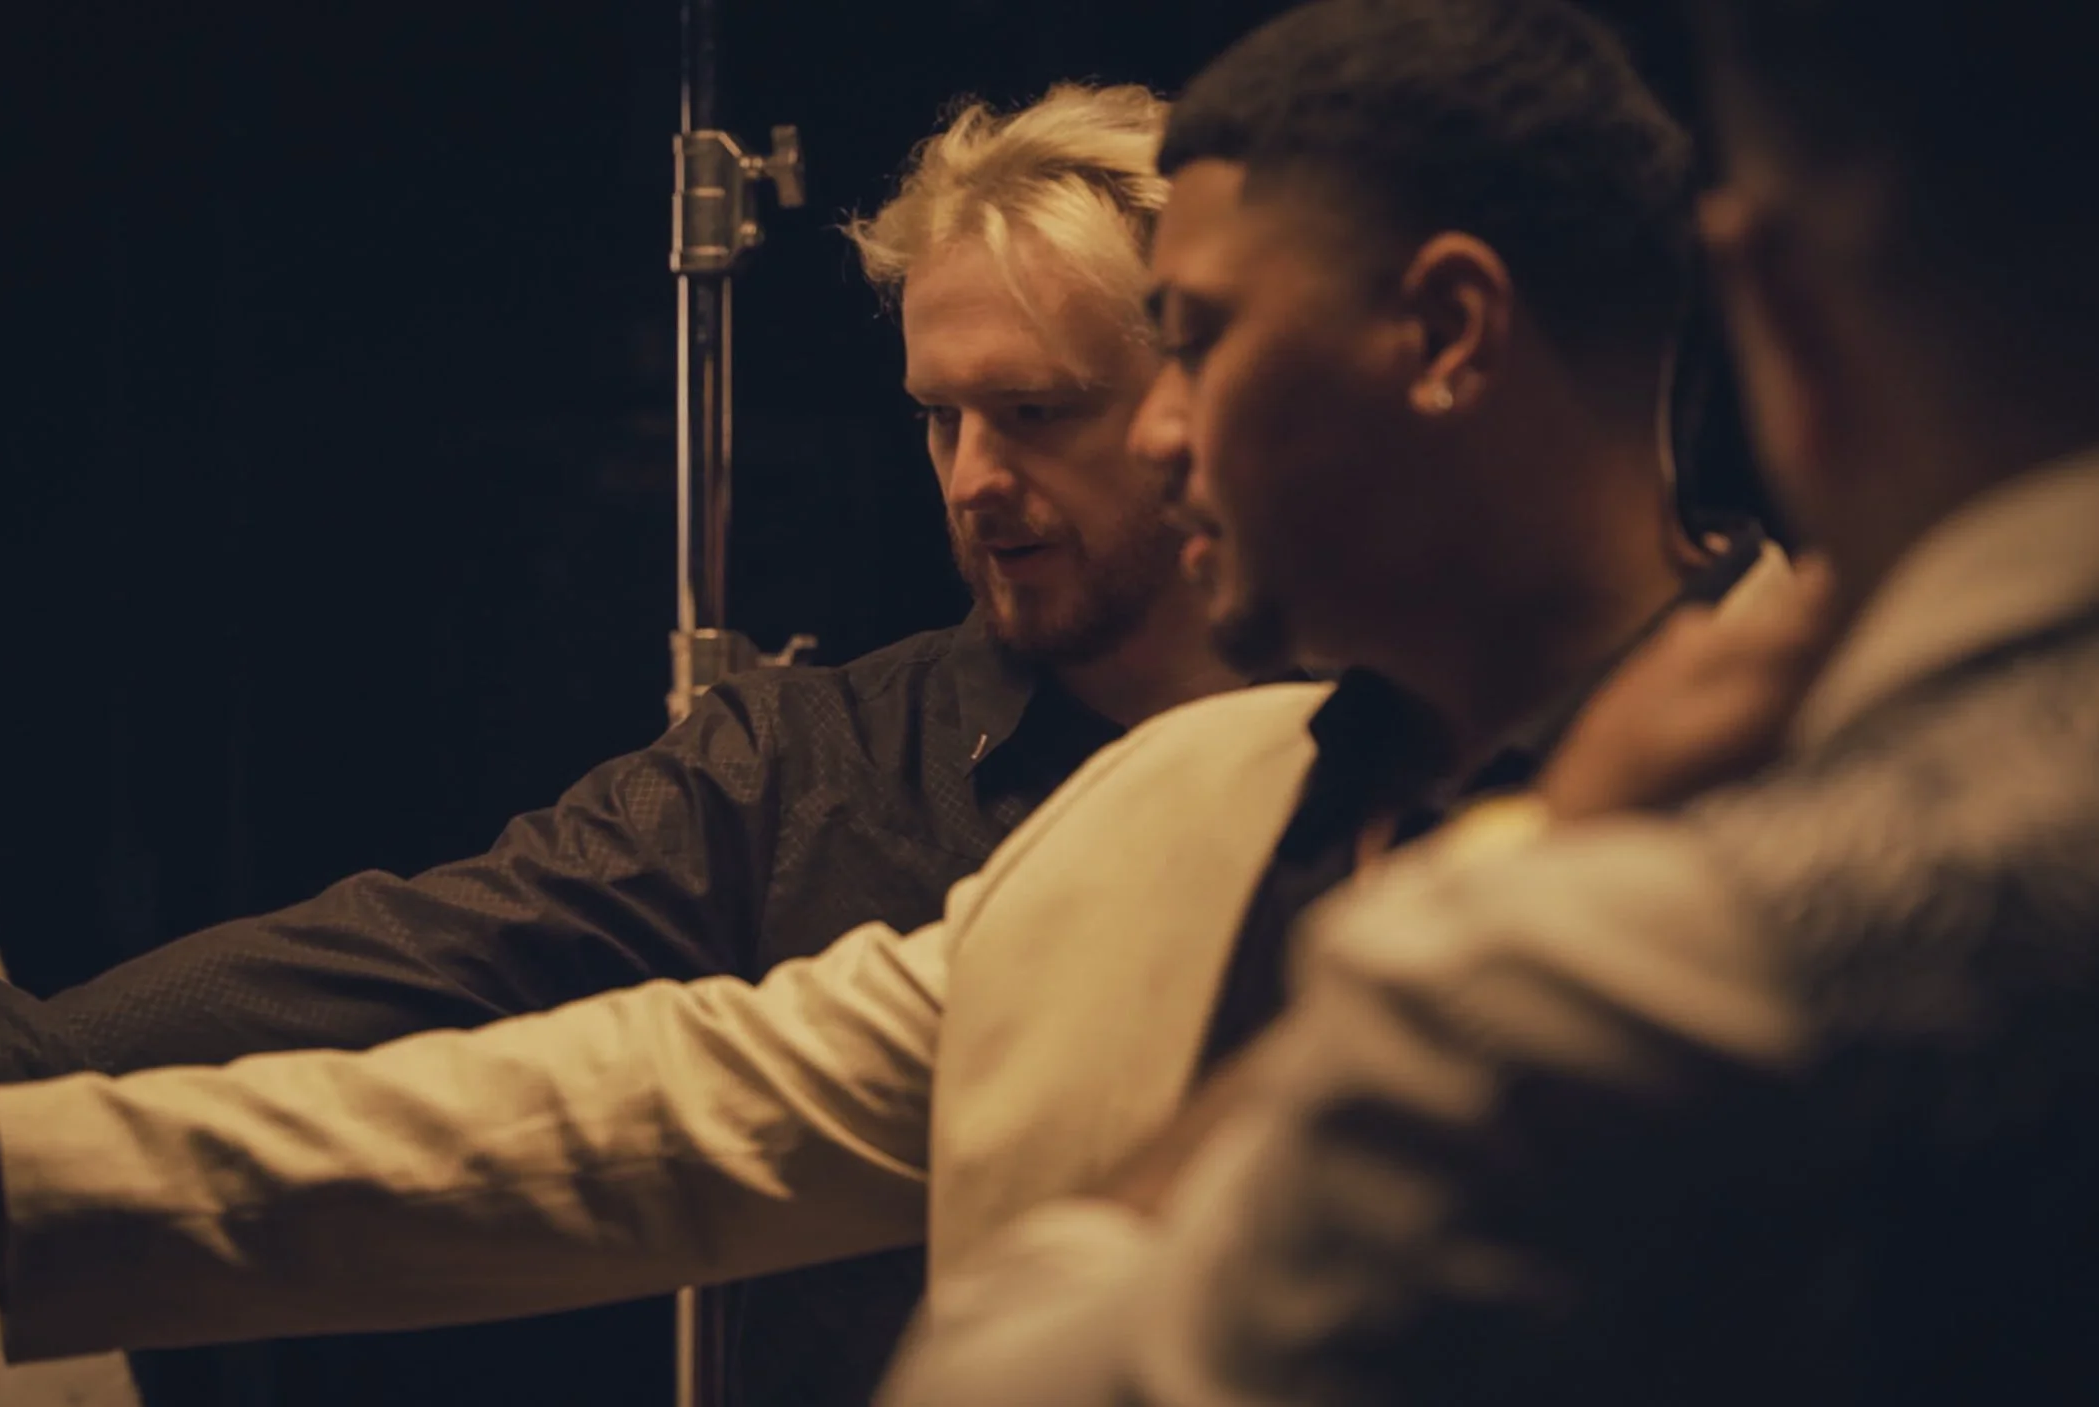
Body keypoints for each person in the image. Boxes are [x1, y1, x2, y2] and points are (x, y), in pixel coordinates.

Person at [0, 0, 1792, 1372]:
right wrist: (12, 1161)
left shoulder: (1883, 796)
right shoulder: (1166, 814)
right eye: (938, 420)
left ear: (1444, 335)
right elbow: (613, 1103)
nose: (1141, 444)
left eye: (1194, 352)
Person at [0, 83, 1245, 1407]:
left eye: (1033, 412)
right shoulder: (803, 767)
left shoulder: (1400, 763)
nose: (966, 479)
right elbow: (438, 964)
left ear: (1196, 402)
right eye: (937, 418)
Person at [879, 1, 2099, 1403]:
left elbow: (994, 1376)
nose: (1167, 429)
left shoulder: (1587, 974)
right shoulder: (1160, 804)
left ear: (1781, 310)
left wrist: (1541, 844)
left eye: (1199, 339)